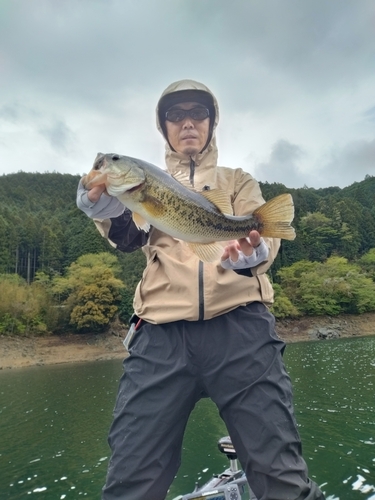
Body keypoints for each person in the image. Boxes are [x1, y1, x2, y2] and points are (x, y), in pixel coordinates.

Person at [77, 79, 325, 500]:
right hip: (159, 335)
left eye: (198, 113)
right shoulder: (144, 185)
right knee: (128, 483)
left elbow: (264, 247)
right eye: (176, 115)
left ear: (212, 123)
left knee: (282, 479)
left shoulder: (238, 180)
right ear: (163, 127)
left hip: (243, 331)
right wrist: (104, 209)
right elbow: (130, 237)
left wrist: (256, 252)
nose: (188, 122)